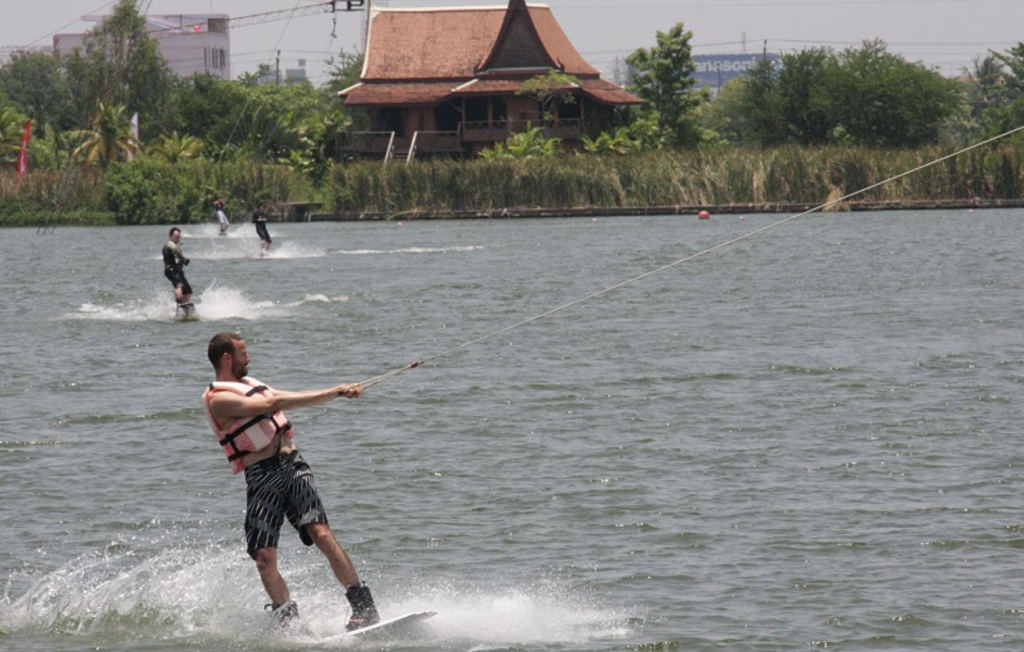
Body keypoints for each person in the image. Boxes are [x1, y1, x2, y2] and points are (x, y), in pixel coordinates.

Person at [202, 332, 381, 631]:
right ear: (226, 358)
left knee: (321, 532)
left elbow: (278, 397)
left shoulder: (251, 384)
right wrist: (335, 392)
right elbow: (276, 401)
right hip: (261, 476)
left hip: (292, 464)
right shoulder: (218, 399)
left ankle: (364, 606)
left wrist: (338, 393)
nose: (250, 358)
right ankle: (288, 622)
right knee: (264, 557)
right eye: (244, 353)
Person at [162, 227, 193, 316]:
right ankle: (180, 304)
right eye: (176, 237)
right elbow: (175, 250)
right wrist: (184, 259)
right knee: (179, 285)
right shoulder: (169, 244)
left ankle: (186, 306)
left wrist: (182, 261)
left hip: (178, 270)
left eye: (179, 237)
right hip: (170, 270)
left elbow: (177, 254)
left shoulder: (177, 246)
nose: (177, 239)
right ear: (170, 236)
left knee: (188, 291)